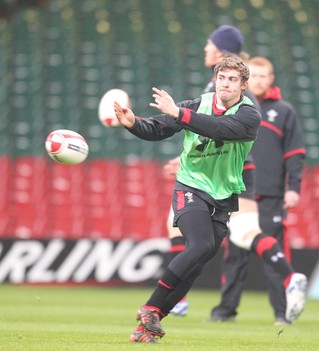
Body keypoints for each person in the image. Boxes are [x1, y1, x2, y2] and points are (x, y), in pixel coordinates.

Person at [114, 55, 261, 343]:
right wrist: (133, 123)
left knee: (200, 259)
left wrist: (177, 113)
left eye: (232, 80)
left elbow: (220, 129)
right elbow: (158, 128)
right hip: (190, 186)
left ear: (243, 85)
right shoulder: (196, 105)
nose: (225, 84)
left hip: (224, 194)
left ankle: (146, 328)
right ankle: (150, 307)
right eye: (221, 78)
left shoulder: (249, 115)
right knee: (201, 245)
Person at [164, 24, 260, 317]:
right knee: (203, 240)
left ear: (219, 49)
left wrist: (181, 119)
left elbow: (221, 129)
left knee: (233, 240)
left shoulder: (229, 92)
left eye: (209, 45)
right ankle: (187, 301)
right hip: (215, 171)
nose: (205, 49)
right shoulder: (218, 87)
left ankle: (220, 305)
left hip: (228, 174)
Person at [210, 56, 307, 325]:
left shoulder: (284, 111)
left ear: (271, 79)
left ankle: (282, 313)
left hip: (270, 194)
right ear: (247, 80)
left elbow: (295, 154)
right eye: (255, 76)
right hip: (238, 191)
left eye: (264, 76)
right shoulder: (236, 108)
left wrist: (293, 188)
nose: (259, 80)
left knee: (272, 256)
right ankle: (225, 311)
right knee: (234, 256)